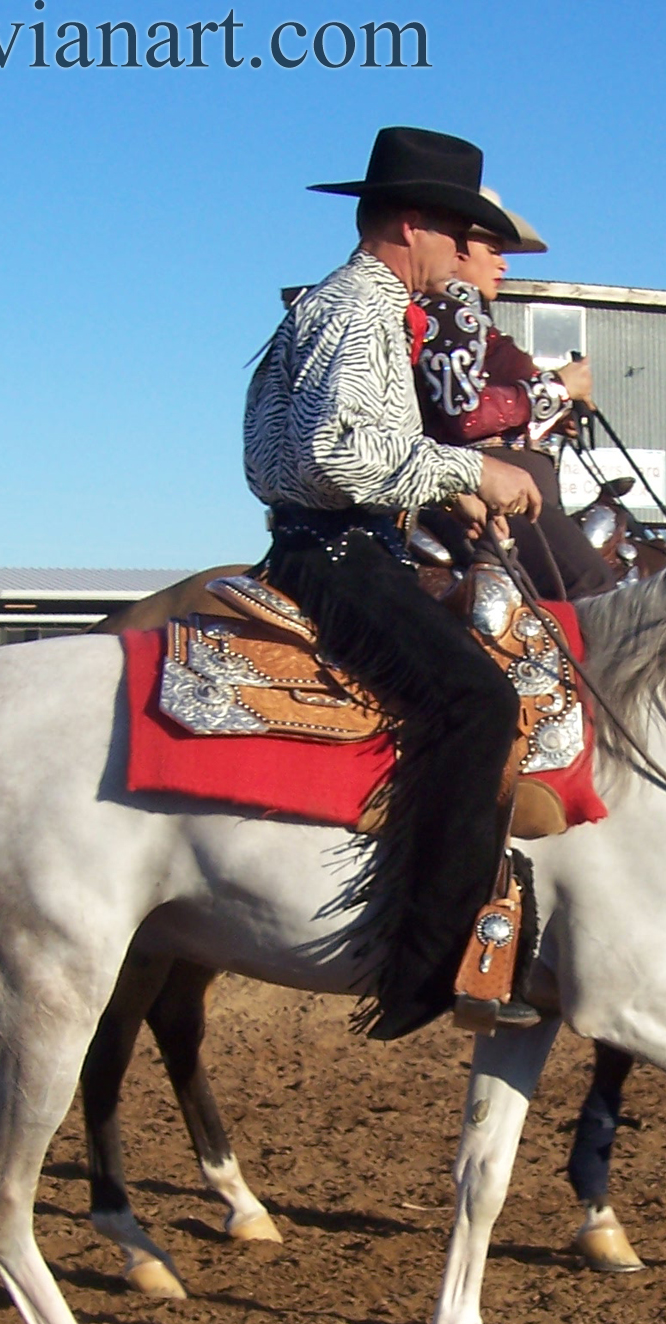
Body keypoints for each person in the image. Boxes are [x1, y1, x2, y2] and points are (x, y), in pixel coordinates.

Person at [243, 126, 544, 1040]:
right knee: (478, 704)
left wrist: (439, 492)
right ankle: (427, 968)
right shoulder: (361, 309)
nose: (466, 256)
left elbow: (290, 449)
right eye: (459, 234)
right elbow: (335, 453)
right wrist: (468, 474)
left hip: (336, 541)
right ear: (409, 224)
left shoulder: (338, 307)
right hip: (338, 554)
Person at [413, 191, 615, 601]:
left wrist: (550, 414)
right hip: (482, 484)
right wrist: (559, 387)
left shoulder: (459, 316)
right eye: (493, 249)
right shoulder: (453, 312)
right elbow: (464, 416)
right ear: (458, 249)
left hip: (498, 481)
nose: (503, 263)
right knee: (593, 588)